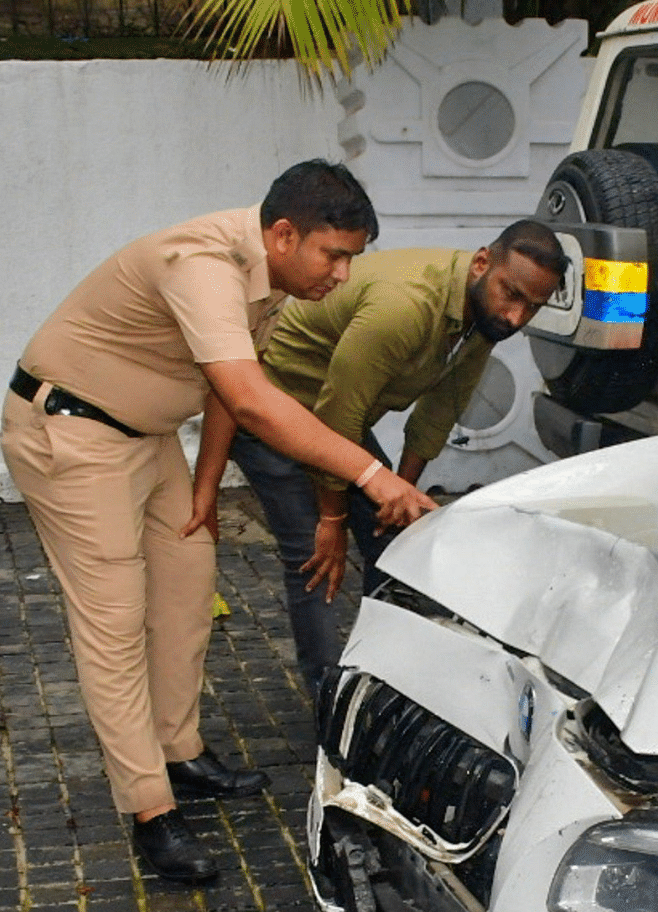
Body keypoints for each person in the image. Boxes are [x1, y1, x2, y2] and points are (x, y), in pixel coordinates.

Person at [2, 161, 437, 886]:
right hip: (72, 433)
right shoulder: (202, 265)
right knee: (114, 622)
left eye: (352, 258)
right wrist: (373, 474)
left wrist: (205, 487)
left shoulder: (266, 273)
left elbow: (228, 387)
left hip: (150, 437)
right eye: (334, 255)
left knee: (186, 592)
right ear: (283, 233)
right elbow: (256, 399)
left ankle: (179, 749)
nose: (342, 274)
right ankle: (150, 809)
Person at [190, 220, 566, 696]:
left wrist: (399, 501)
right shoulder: (405, 305)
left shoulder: (483, 315)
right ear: (481, 263)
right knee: (315, 558)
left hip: (337, 416)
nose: (515, 316)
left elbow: (439, 410)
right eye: (510, 294)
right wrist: (333, 516)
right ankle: (331, 700)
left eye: (532, 306)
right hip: (275, 410)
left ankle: (384, 680)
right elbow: (338, 408)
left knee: (398, 548)